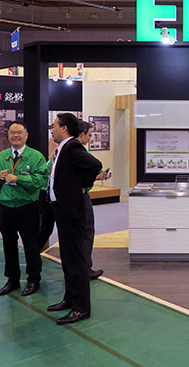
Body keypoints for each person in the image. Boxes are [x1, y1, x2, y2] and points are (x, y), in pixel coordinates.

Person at [46, 113, 102, 325]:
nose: (51, 130)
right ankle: (69, 299)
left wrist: (82, 186)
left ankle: (81, 308)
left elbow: (94, 165)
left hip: (70, 211)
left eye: (54, 126)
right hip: (62, 210)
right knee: (68, 259)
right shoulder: (63, 148)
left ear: (64, 128)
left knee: (76, 261)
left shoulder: (72, 147)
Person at [0, 121, 48, 297]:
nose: (16, 135)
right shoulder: (1, 156)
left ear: (26, 135)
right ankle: (12, 279)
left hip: (27, 207)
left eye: (19, 132)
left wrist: (18, 179)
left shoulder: (36, 157)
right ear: (8, 135)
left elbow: (41, 181)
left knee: (31, 244)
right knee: (8, 244)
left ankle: (34, 279)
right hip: (6, 207)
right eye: (12, 132)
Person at [77, 120, 109, 280]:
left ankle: (78, 268)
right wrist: (91, 179)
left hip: (67, 198)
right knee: (86, 232)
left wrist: (96, 176)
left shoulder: (63, 150)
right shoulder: (79, 152)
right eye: (89, 135)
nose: (90, 138)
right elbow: (95, 165)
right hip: (80, 198)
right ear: (82, 134)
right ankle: (85, 269)